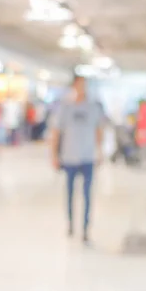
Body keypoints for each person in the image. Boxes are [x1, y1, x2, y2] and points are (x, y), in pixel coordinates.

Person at [50, 74, 104, 244]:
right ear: (74, 86)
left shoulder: (93, 107)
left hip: (88, 156)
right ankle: (71, 223)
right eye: (79, 85)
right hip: (69, 156)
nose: (82, 88)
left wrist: (99, 151)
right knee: (70, 193)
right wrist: (54, 155)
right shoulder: (65, 107)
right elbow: (56, 132)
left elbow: (98, 130)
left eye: (85, 85)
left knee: (87, 193)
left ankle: (86, 227)